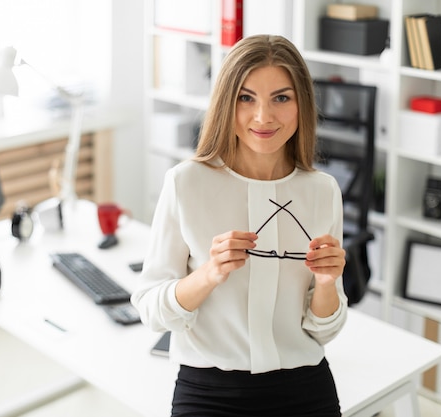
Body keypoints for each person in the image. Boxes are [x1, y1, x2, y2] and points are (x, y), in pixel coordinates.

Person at [131, 34, 348, 417]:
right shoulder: (186, 183)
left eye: (281, 98)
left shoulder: (323, 191)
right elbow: (151, 310)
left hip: (304, 385)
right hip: (209, 390)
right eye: (246, 98)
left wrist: (328, 284)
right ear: (226, 103)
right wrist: (209, 274)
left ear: (302, 106)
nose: (263, 116)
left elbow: (324, 329)